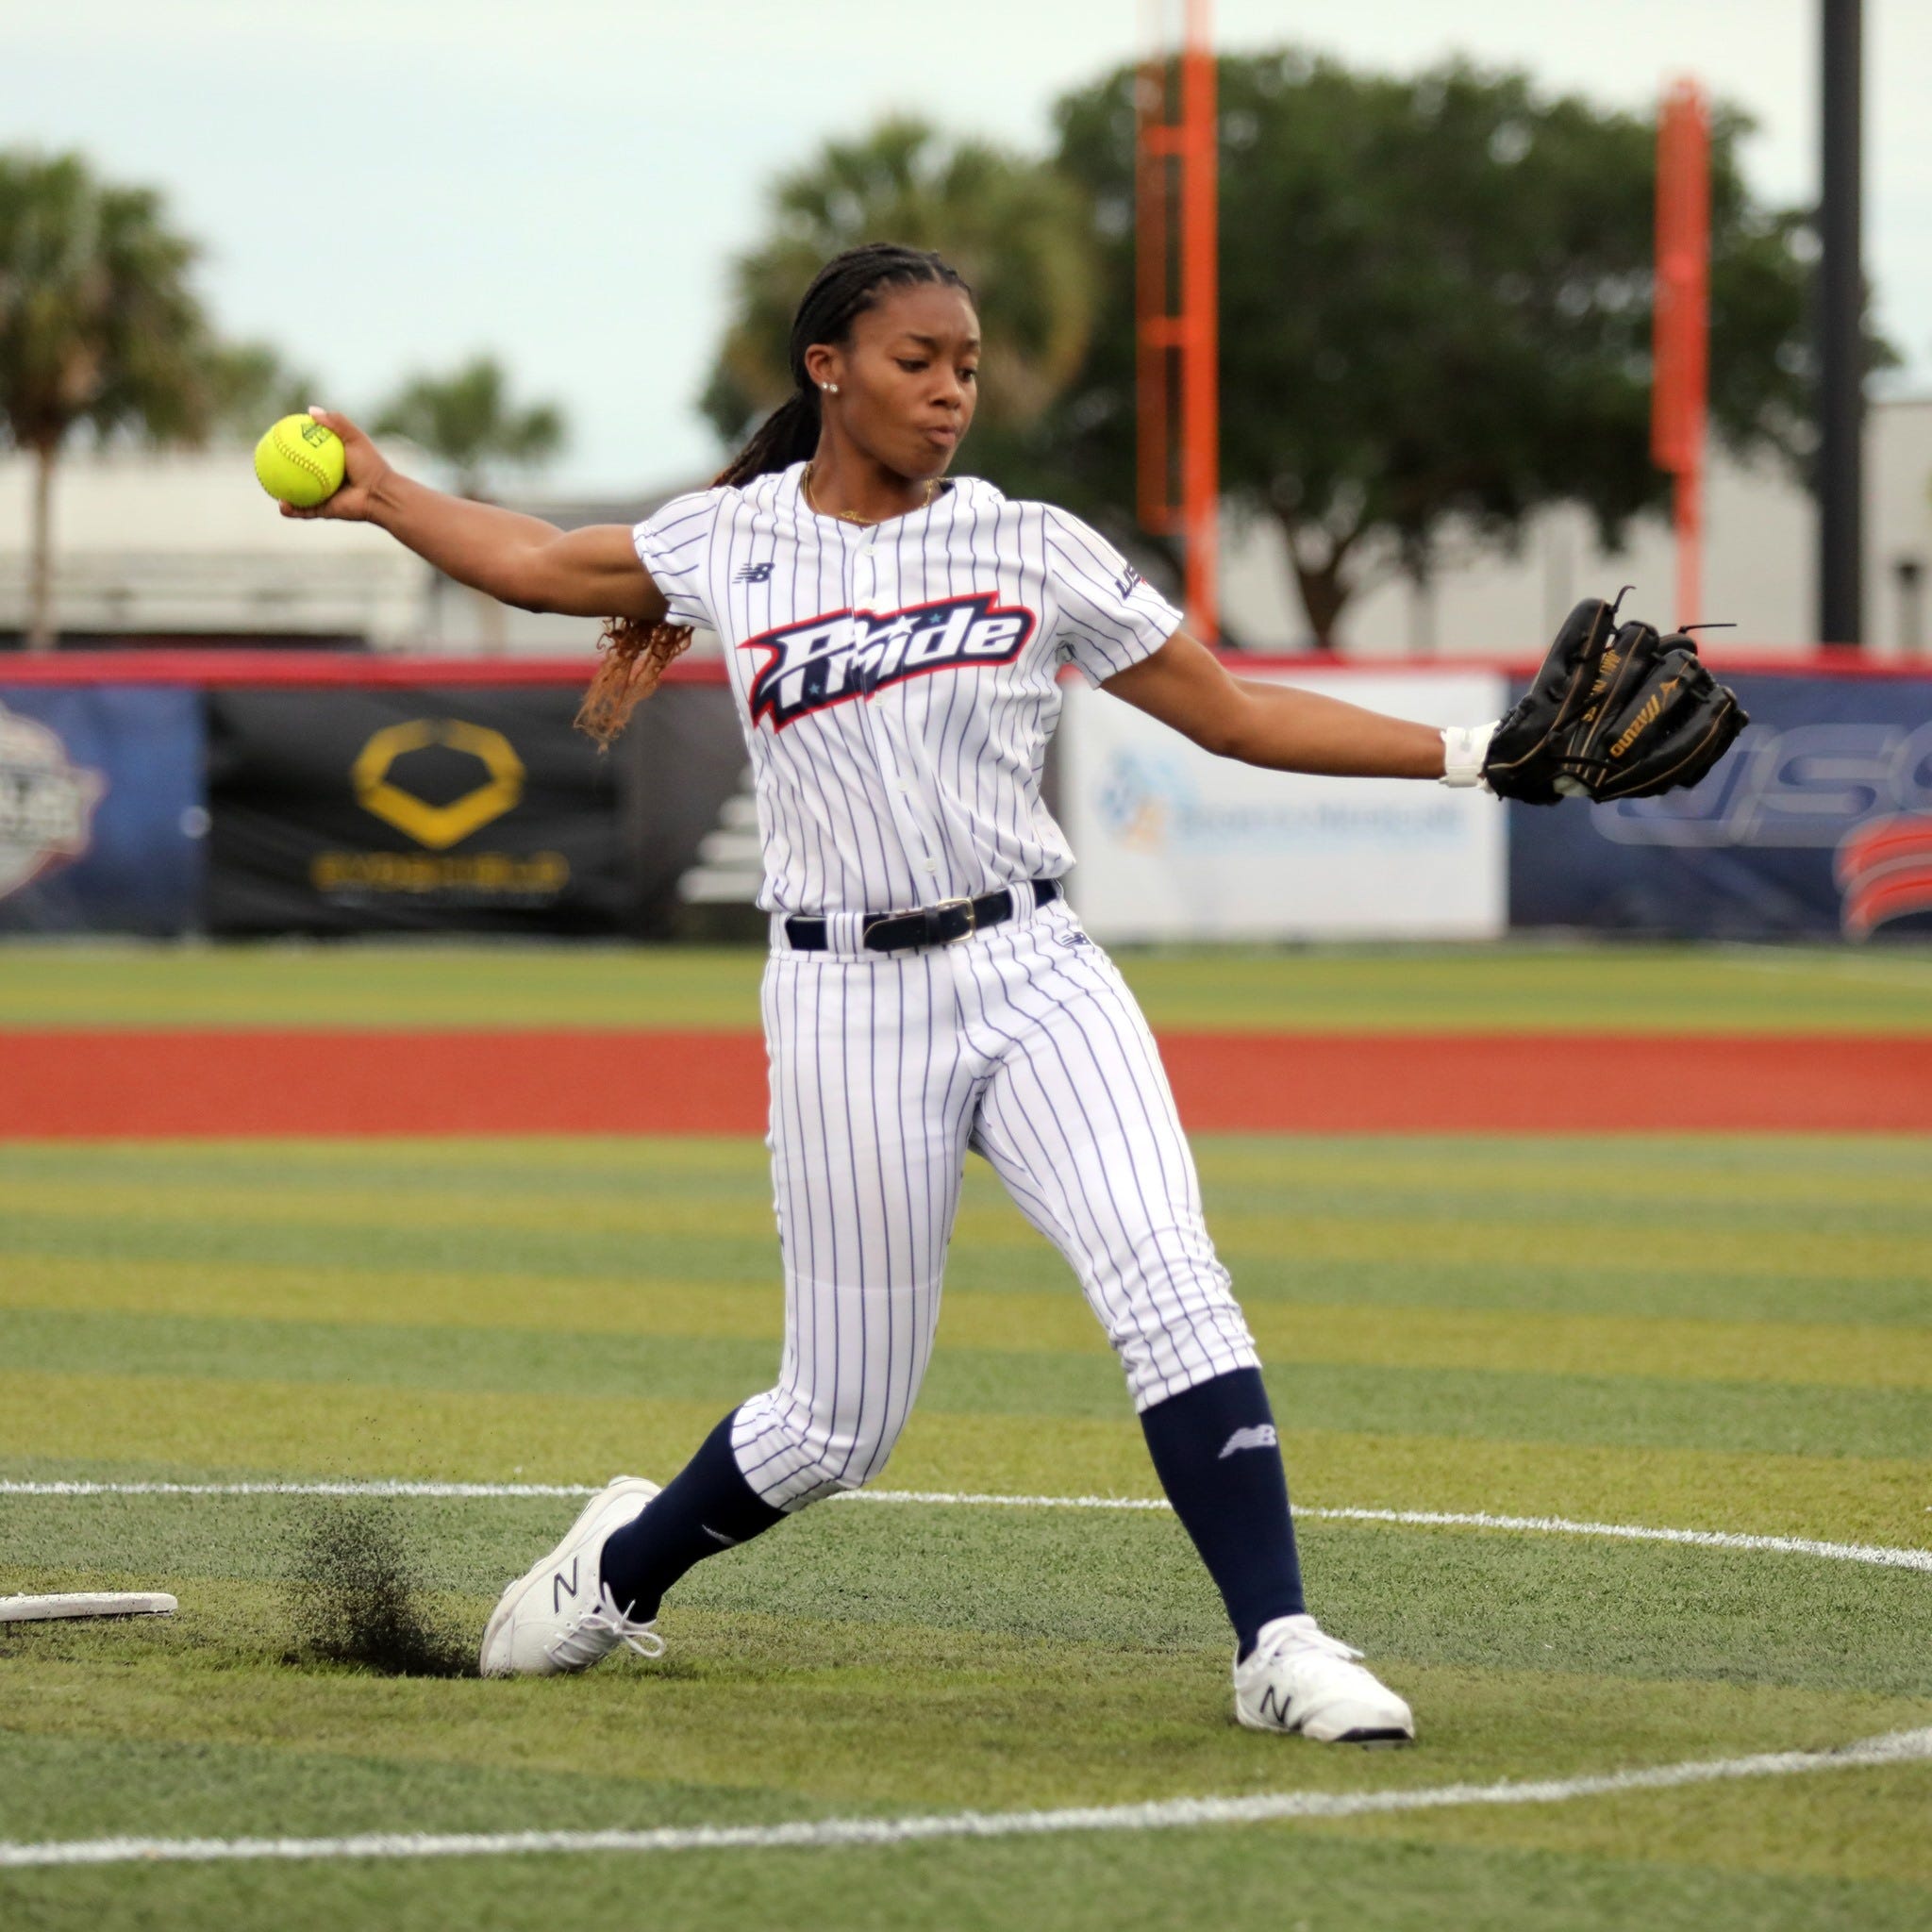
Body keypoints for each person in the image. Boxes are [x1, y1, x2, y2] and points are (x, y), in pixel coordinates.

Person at [288, 242, 1499, 1743]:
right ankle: (623, 1567)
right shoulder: (735, 541)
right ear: (829, 370)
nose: (950, 390)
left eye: (969, 365)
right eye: (918, 359)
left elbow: (1237, 715)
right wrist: (387, 494)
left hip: (1034, 965)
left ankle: (1280, 1642)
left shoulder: (1032, 544)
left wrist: (1473, 756)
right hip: (844, 1003)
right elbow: (542, 565)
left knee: (1170, 1280)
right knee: (836, 1422)